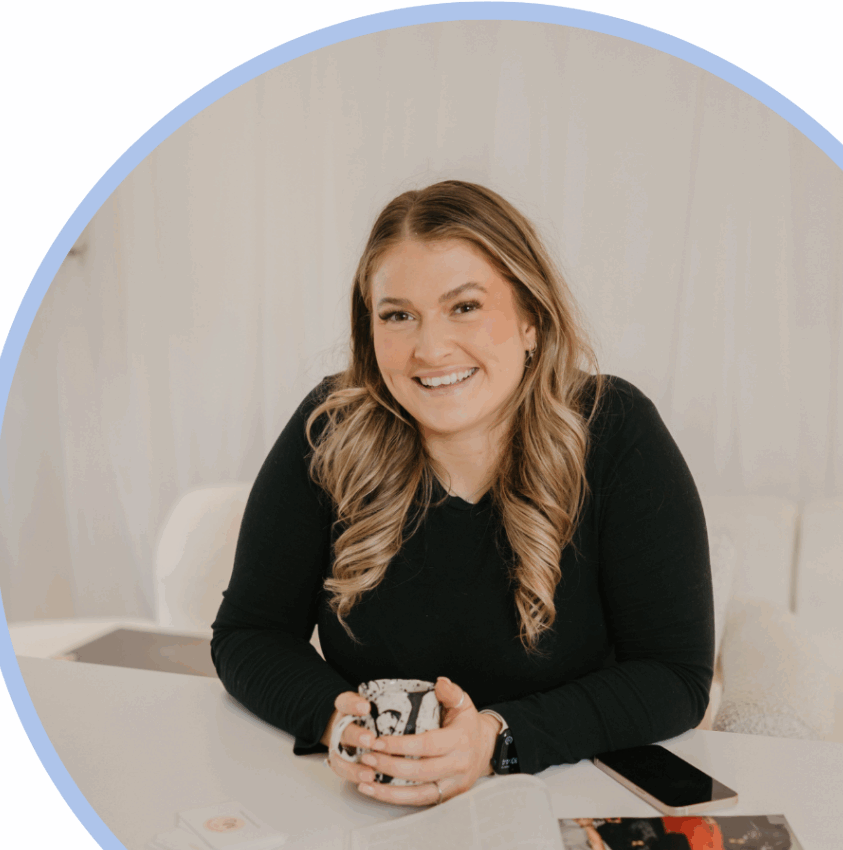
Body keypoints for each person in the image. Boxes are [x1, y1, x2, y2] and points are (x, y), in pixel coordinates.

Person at [211, 180, 715, 807]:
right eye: (398, 315)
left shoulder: (616, 431)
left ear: (531, 319)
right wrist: (341, 724)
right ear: (370, 333)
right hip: (365, 802)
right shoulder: (330, 429)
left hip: (558, 798)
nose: (430, 348)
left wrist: (494, 741)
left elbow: (675, 676)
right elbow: (248, 634)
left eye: (465, 307)